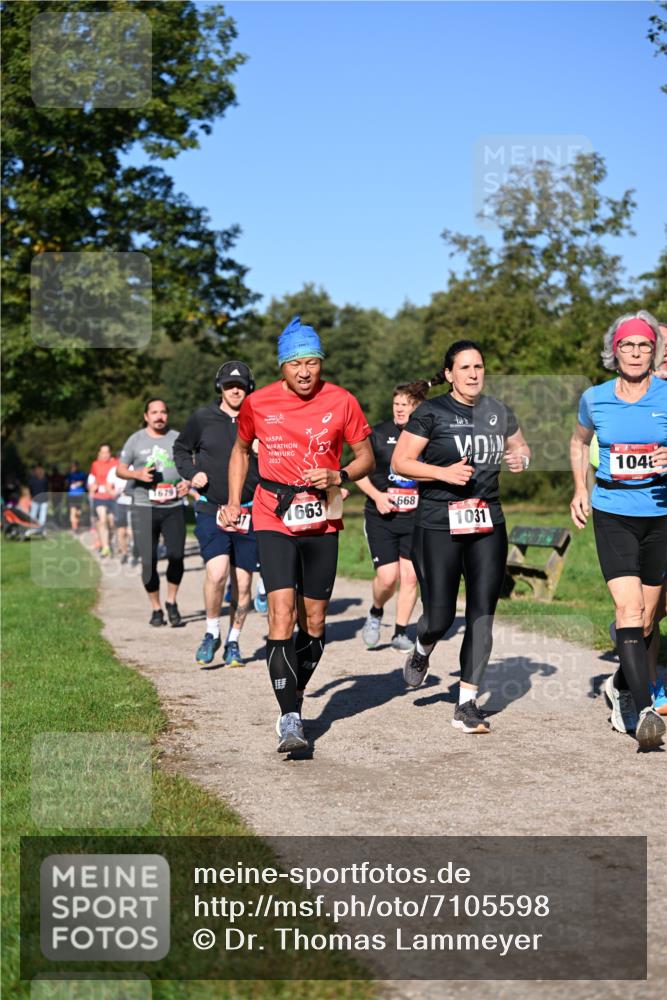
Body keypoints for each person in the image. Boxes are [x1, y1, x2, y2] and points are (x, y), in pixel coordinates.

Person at [218, 316, 374, 752]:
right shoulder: (257, 403)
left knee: (316, 621)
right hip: (273, 511)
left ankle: (294, 690)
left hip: (323, 512)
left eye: (312, 362)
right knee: (281, 613)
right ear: (281, 367)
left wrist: (337, 472)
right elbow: (240, 451)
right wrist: (234, 501)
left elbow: (367, 458)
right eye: (295, 364)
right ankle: (290, 719)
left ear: (321, 363)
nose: (304, 372)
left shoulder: (342, 401)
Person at [392, 340, 530, 734]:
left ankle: (466, 703)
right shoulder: (431, 413)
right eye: (465, 368)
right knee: (439, 616)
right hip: (438, 523)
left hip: (487, 522)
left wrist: (522, 459)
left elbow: (521, 447)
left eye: (479, 367)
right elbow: (402, 462)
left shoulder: (498, 412)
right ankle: (423, 647)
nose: (473, 374)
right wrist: (443, 473)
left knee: (482, 614)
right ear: (449, 374)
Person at [570, 312, 667, 750]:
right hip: (613, 512)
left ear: (654, 352)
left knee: (647, 618)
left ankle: (619, 686)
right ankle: (644, 710)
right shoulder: (595, 398)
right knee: (628, 612)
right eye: (627, 346)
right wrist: (579, 489)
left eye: (643, 346)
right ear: (615, 351)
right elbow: (577, 441)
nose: (635, 353)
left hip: (660, 514)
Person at [174, 361, 261, 667]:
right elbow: (181, 449)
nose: (234, 390)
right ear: (220, 388)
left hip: (251, 511)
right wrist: (191, 473)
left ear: (248, 387)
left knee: (244, 583)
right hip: (213, 508)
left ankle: (234, 641)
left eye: (239, 386)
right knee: (217, 572)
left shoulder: (260, 417)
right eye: (228, 386)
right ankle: (211, 631)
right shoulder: (202, 418)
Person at [357, 383, 427, 651]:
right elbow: (358, 472)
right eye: (396, 404)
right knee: (388, 577)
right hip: (381, 516)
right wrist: (377, 495)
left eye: (405, 404)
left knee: (409, 577)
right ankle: (376, 612)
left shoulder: (426, 435)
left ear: (417, 408)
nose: (399, 408)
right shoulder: (377, 433)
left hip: (414, 518)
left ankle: (400, 632)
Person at [116, 399, 190, 627]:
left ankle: (171, 601)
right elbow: (120, 470)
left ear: (167, 415)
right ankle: (156, 608)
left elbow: (190, 465)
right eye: (154, 412)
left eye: (163, 412)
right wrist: (137, 474)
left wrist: (187, 482)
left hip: (173, 506)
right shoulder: (135, 439)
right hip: (143, 507)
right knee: (148, 561)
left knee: (177, 555)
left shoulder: (177, 437)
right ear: (146, 416)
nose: (159, 416)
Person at [87, 444, 118, 557]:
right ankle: (105, 547)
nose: (105, 455)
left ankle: (107, 543)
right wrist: (91, 486)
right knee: (102, 519)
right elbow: (91, 479)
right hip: (99, 496)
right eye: (102, 452)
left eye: (107, 452)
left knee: (112, 523)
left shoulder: (116, 463)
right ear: (99, 454)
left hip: (112, 496)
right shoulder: (95, 464)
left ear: (110, 453)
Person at [66, 460, 88, 532]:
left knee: (79, 511)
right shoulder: (69, 475)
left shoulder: (82, 474)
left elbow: (85, 484)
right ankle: (74, 527)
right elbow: (66, 484)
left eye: (75, 466)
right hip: (71, 495)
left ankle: (76, 523)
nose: (73, 468)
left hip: (80, 494)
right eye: (72, 466)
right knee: (72, 511)